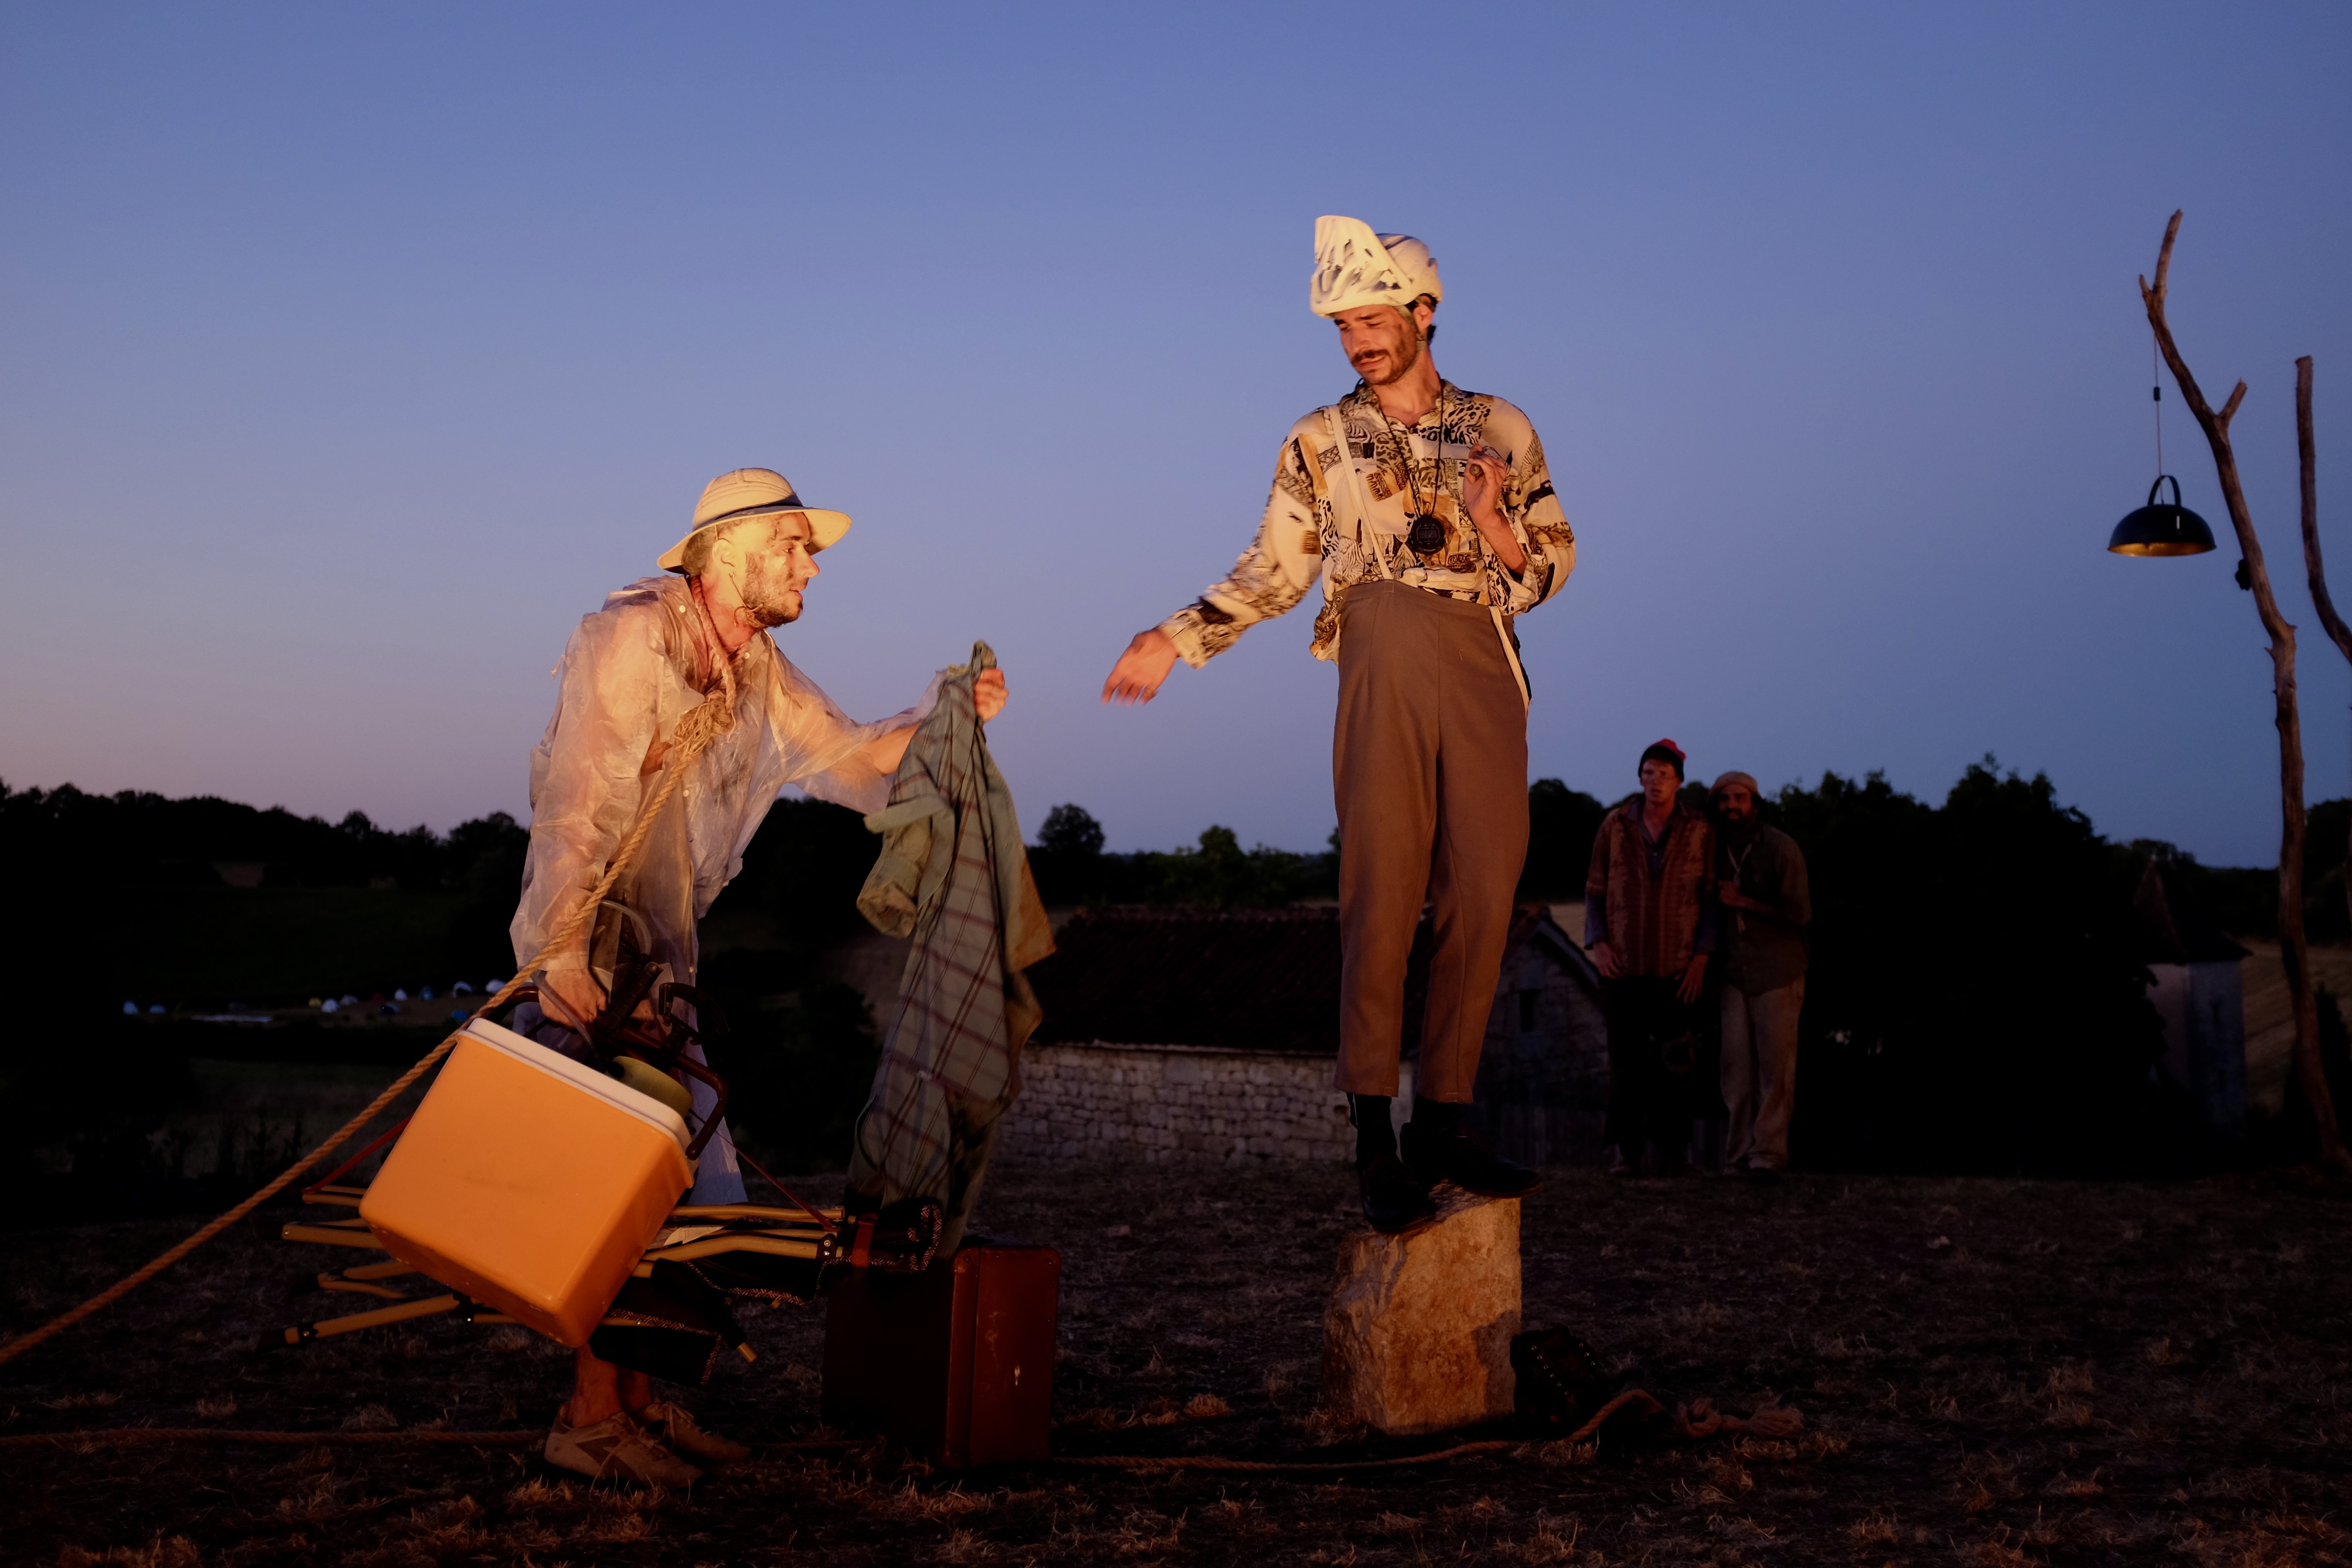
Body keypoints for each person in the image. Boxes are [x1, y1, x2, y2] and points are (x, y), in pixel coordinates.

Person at [510, 467, 1007, 1485]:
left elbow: (855, 761)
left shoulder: (757, 671)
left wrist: (949, 716)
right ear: (728, 550)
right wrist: (561, 953)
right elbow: (575, 805)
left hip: (664, 957)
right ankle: (588, 1419)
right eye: (793, 545)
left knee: (670, 1192)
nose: (810, 566)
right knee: (617, 1190)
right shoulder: (632, 638)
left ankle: (635, 1408)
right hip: (598, 950)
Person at [1101, 217, 1577, 1232]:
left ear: (1423, 312)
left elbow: (1547, 568)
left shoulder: (1503, 425)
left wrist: (1492, 517)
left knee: (1484, 892)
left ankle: (1443, 1123)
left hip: (1487, 656)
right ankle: (1374, 1140)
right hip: (1382, 639)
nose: (1356, 339)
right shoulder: (1317, 438)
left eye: (1372, 319)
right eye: (1342, 325)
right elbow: (1277, 569)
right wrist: (1176, 636)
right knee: (1383, 886)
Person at [1585, 740, 1715, 1176]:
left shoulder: (1699, 829)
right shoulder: (1616, 825)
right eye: (1648, 772)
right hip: (1623, 967)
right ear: (1639, 777)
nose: (1655, 780)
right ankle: (1627, 1152)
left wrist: (1701, 957)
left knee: (1678, 1062)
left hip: (1677, 968)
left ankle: (1676, 1153)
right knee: (1626, 1066)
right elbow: (1594, 891)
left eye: (1663, 774)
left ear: (1679, 781)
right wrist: (1600, 944)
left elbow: (1710, 899)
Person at [1710, 771, 1810, 1181]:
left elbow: (1799, 915)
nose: (1732, 806)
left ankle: (1768, 1156)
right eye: (1724, 799)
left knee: (1776, 1069)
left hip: (1776, 972)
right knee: (1736, 1070)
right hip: (1734, 974)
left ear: (1754, 803)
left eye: (1740, 798)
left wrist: (1743, 902)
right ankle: (1737, 1156)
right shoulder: (1713, 848)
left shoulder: (1781, 848)